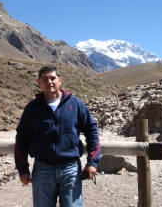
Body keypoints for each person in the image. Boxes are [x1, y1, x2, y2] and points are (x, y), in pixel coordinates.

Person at [14, 65, 101, 207]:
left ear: (60, 80)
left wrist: (92, 162)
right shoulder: (33, 108)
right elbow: (21, 139)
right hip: (42, 169)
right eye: (45, 79)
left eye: (52, 78)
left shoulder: (76, 104)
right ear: (39, 83)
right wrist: (23, 170)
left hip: (71, 169)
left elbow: (92, 132)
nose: (49, 82)